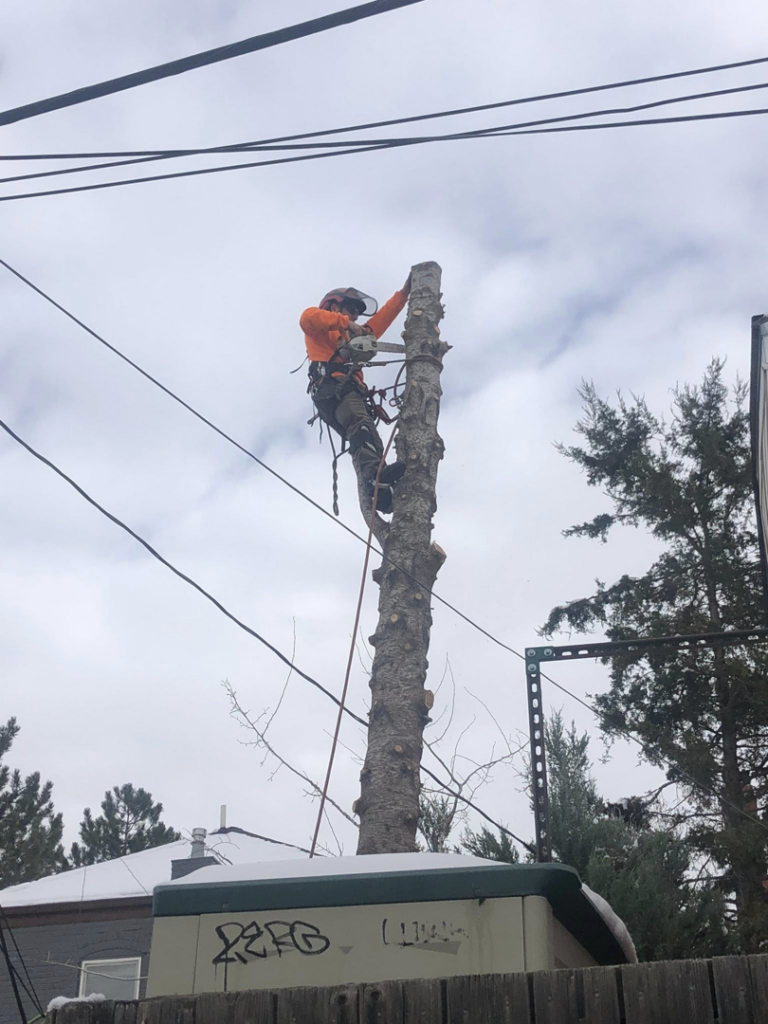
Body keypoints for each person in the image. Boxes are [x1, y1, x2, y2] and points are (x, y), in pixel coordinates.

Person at [300, 276, 411, 514]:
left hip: (348, 392)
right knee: (360, 426)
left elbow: (381, 320)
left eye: (355, 314)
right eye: (349, 311)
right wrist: (345, 323)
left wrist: (403, 294)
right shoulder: (319, 329)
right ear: (333, 307)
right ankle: (373, 480)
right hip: (332, 389)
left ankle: (380, 493)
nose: (354, 317)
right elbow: (306, 317)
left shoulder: (353, 335)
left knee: (366, 435)